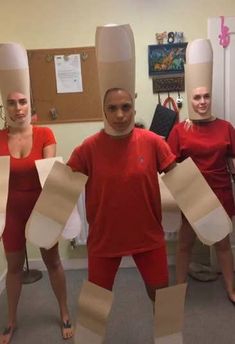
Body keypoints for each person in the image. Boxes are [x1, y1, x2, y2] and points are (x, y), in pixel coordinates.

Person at [67, 87, 176, 301]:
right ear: (104, 111)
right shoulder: (88, 148)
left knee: (164, 300)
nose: (119, 114)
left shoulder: (153, 142)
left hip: (148, 236)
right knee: (95, 306)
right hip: (104, 239)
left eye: (126, 107)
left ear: (134, 108)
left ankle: (170, 336)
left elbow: (181, 179)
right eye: (112, 108)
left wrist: (207, 215)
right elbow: (63, 185)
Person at [0, 43, 73, 344]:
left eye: (23, 102)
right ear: (3, 106)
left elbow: (51, 176)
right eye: (11, 103)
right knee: (14, 267)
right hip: (12, 212)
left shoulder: (45, 134)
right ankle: (12, 321)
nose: (18, 109)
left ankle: (65, 312)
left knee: (53, 261)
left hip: (42, 207)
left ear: (31, 104)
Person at [167, 86, 235, 302]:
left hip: (220, 192)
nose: (202, 101)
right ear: (190, 100)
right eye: (197, 97)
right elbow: (168, 163)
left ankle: (231, 289)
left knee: (223, 245)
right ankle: (179, 289)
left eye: (206, 96)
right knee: (185, 244)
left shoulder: (225, 127)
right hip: (193, 194)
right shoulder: (180, 130)